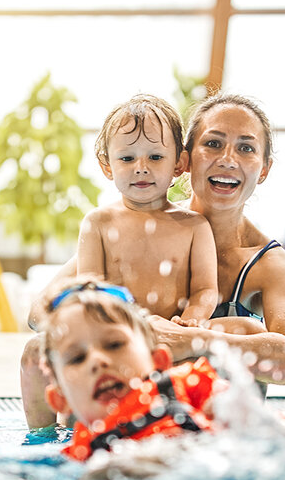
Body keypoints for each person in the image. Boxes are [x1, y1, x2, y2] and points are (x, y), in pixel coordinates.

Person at [21, 93, 285, 429]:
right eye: (213, 144)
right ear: (186, 160)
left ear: (264, 169)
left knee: (249, 331)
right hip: (127, 385)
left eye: (246, 148)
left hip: (215, 427)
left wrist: (186, 339)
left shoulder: (269, 265)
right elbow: (39, 314)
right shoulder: (136, 229)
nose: (228, 159)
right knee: (40, 350)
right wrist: (128, 340)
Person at [39, 279, 222, 462]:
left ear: (158, 361)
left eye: (114, 344)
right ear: (60, 399)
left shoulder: (193, 394)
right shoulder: (80, 463)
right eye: (77, 358)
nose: (97, 360)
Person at [77, 94, 218, 325]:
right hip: (118, 334)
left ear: (179, 163)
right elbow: (89, 292)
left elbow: (205, 290)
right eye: (127, 158)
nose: (141, 168)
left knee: (246, 327)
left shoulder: (195, 226)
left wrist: (188, 322)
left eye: (155, 157)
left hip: (176, 331)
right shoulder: (98, 223)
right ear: (107, 166)